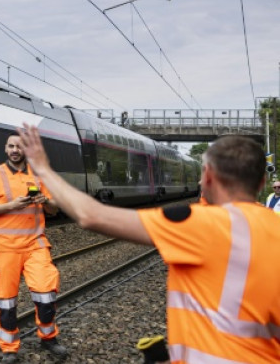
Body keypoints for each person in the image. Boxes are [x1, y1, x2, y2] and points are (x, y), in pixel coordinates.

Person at [18, 124, 280, 363]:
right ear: (262, 182)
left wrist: (43, 169)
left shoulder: (196, 223)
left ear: (208, 177)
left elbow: (91, 215)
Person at [0, 133, 68, 362]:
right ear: (6, 149)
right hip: (5, 248)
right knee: (6, 301)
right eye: (11, 146)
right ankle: (9, 348)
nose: (15, 150)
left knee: (46, 294)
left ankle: (48, 339)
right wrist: (11, 205)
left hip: (35, 244)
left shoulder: (39, 176)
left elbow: (55, 209)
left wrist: (46, 202)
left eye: (19, 146)